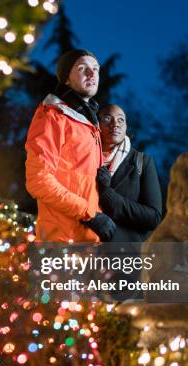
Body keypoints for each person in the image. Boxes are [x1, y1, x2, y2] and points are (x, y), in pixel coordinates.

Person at [25, 49, 116, 242]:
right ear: (66, 79)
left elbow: (77, 180)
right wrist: (90, 213)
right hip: (60, 241)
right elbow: (38, 180)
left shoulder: (88, 123)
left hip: (88, 242)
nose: (92, 74)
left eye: (95, 69)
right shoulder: (52, 116)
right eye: (82, 68)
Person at [95, 104, 162, 242]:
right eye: (107, 118)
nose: (115, 124)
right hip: (86, 252)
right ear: (96, 125)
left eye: (121, 120)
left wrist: (108, 195)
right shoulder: (85, 159)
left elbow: (153, 217)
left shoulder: (142, 162)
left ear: (126, 127)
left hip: (127, 255)